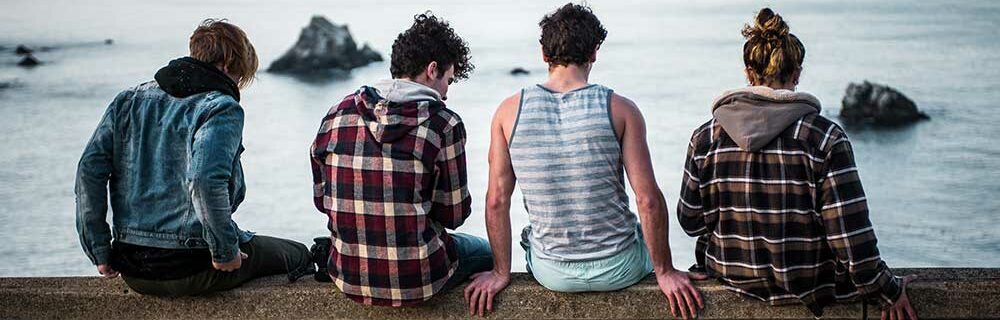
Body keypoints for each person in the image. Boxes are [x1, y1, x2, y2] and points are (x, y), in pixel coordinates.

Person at [463, 3, 704, 319]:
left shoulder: (508, 113)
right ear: (594, 52)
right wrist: (665, 270)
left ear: (544, 54)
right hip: (621, 267)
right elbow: (647, 200)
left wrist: (500, 271)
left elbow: (496, 201)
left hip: (552, 273)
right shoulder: (620, 109)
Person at [676, 8, 918, 320]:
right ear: (797, 73)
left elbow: (690, 221)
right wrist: (888, 290)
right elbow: (850, 238)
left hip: (733, 285)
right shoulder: (825, 138)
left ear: (749, 73)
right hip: (812, 292)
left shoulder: (706, 138)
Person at [75, 19, 313, 297]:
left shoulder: (127, 99)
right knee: (298, 255)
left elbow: (88, 171)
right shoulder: (220, 107)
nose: (236, 84)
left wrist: (100, 249)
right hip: (190, 266)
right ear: (227, 64)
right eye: (239, 76)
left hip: (133, 269)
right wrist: (225, 251)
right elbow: (204, 181)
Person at [310, 13, 492, 307]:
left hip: (347, 274)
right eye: (449, 80)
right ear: (432, 70)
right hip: (418, 280)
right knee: (486, 252)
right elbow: (455, 215)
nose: (445, 94)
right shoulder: (443, 123)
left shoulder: (337, 114)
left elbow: (322, 200)